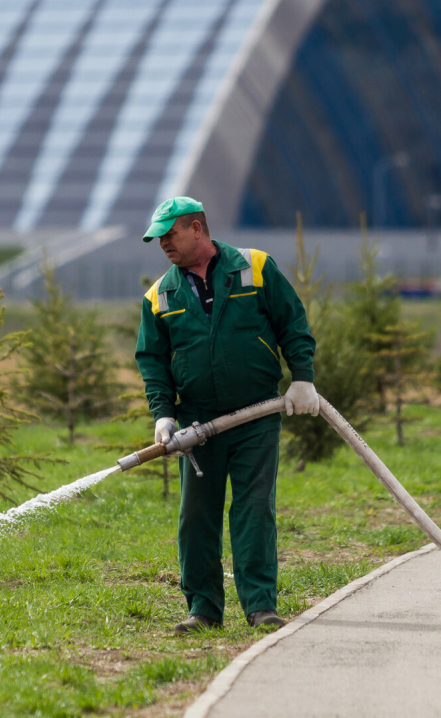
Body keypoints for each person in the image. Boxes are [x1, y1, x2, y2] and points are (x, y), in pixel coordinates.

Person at [134, 197, 318, 633]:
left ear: (197, 229)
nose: (163, 244)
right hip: (198, 424)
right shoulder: (160, 296)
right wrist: (163, 415)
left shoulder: (255, 268)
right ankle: (202, 610)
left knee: (254, 509)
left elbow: (292, 323)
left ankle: (260, 606)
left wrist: (302, 378)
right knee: (196, 516)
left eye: (170, 234)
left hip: (257, 414)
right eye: (158, 237)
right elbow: (152, 361)